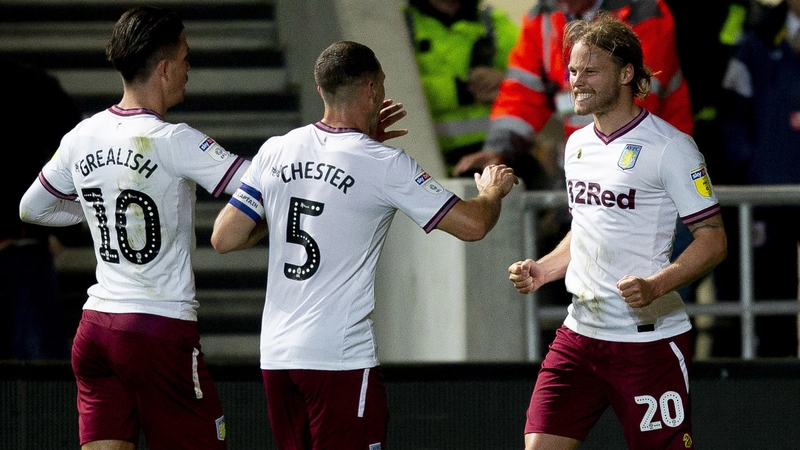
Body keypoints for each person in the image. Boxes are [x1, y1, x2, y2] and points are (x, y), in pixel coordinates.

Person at [210, 40, 517, 450]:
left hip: (278, 357)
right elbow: (473, 225)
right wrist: (493, 192)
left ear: (321, 90)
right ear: (372, 89)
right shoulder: (383, 164)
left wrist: (281, 201)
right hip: (339, 359)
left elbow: (224, 238)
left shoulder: (275, 151)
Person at [18, 6, 249, 449]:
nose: (189, 68)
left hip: (96, 329)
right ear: (164, 68)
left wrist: (91, 210)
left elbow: (32, 208)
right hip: (158, 330)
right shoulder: (175, 140)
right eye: (184, 57)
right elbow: (261, 185)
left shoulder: (81, 136)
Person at [507, 13, 727, 449]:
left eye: (590, 70)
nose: (576, 81)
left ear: (628, 73)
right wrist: (545, 269)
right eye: (572, 71)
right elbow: (588, 229)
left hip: (646, 343)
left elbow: (714, 239)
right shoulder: (576, 143)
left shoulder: (671, 147)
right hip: (579, 334)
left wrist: (656, 284)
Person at [452, 0, 693, 180]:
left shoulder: (644, 12)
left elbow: (629, 103)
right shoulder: (542, 18)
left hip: (655, 171)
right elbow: (521, 95)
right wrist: (498, 151)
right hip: (591, 173)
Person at [718, 0, 800, 357]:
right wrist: (751, 168)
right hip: (770, 193)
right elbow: (734, 114)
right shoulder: (756, 42)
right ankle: (777, 392)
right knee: (771, 299)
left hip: (773, 185)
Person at [403, 0, 542, 183]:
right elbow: (397, 88)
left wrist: (503, 82)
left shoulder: (494, 21)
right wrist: (459, 91)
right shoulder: (400, 24)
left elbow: (534, 78)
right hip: (431, 165)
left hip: (498, 156)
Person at [0, 56, 83, 360]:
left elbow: (78, 148)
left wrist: (64, 228)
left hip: (24, 255)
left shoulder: (28, 83)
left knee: (39, 386)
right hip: (26, 256)